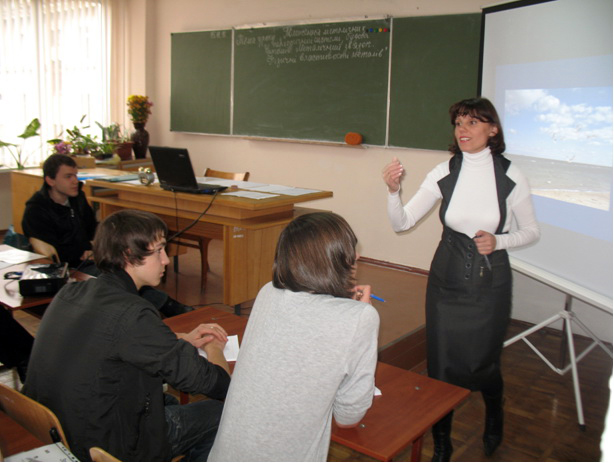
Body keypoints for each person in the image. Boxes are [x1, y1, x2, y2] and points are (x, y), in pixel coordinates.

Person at [382, 97, 540, 461]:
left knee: (484, 362)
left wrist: (500, 241)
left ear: (492, 129)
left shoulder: (511, 176)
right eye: (458, 123)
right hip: (446, 284)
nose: (463, 130)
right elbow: (402, 222)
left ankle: (495, 412)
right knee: (441, 366)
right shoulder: (444, 172)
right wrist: (393, 191)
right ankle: (442, 442)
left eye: (472, 122)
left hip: (490, 285)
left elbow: (531, 231)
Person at [24, 209, 231, 461]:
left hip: (62, 430)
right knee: (224, 413)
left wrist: (181, 339)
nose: (166, 260)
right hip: (108, 447)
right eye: (159, 251)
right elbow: (212, 382)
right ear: (128, 255)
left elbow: (112, 340)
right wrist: (214, 348)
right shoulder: (133, 313)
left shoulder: (72, 292)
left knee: (170, 403)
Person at [208, 212, 379, 462]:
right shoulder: (361, 317)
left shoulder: (268, 292)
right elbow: (348, 418)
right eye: (351, 249)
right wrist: (357, 313)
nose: (357, 256)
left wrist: (346, 307)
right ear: (335, 259)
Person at [21, 153, 191, 317]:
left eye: (76, 175)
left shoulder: (77, 198)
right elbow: (52, 253)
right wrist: (85, 253)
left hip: (90, 256)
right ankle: (167, 307)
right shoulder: (36, 210)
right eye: (68, 177)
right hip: (69, 267)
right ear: (50, 180)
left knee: (129, 268)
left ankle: (165, 307)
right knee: (123, 274)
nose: (75, 181)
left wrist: (102, 247)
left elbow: (92, 229)